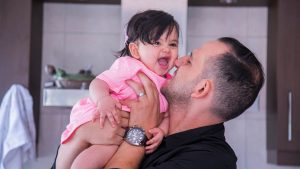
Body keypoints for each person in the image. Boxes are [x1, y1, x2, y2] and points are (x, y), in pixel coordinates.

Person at [104, 37, 265, 169]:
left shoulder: (209, 162)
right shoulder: (153, 120)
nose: (177, 61)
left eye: (189, 61)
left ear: (201, 89)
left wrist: (138, 133)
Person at [55, 10, 180, 169]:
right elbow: (98, 82)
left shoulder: (169, 84)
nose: (166, 49)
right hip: (107, 118)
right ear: (135, 50)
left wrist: (161, 131)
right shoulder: (129, 66)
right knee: (87, 160)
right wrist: (103, 99)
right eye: (157, 43)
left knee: (97, 159)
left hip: (122, 138)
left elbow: (168, 115)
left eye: (173, 44)